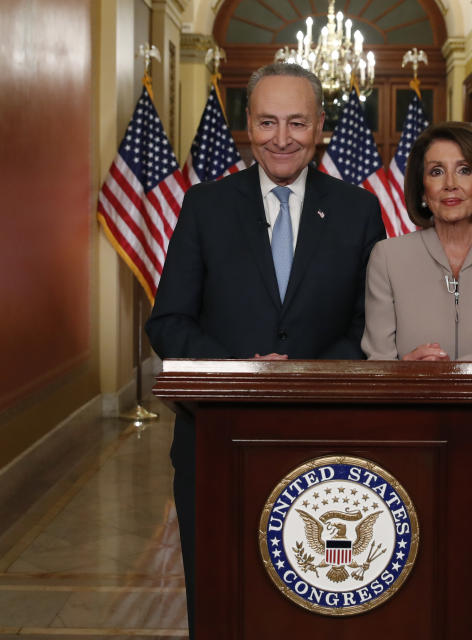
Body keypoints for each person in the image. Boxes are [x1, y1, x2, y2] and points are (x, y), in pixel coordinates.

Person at [145, 63, 384, 638]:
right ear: (247, 124)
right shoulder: (205, 206)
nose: (282, 137)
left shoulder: (359, 209)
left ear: (321, 126)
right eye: (268, 121)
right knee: (222, 595)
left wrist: (306, 372)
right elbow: (169, 321)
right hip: (216, 437)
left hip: (325, 436)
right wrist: (241, 372)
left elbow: (372, 324)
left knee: (319, 594)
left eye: (298, 122)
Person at [361, 121, 472, 640]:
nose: (451, 184)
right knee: (409, 596)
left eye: (464, 170)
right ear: (421, 187)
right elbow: (378, 358)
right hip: (409, 450)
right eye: (436, 172)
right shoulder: (387, 257)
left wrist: (432, 374)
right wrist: (402, 368)